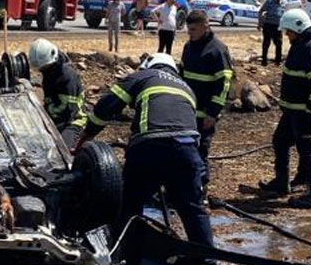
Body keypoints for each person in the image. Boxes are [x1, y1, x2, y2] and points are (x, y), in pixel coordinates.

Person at [77, 53, 213, 252]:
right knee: (193, 207)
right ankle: (207, 262)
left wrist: (86, 137)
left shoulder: (144, 76)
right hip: (187, 150)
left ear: (149, 65)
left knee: (130, 204)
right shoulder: (187, 88)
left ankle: (122, 256)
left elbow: (106, 106)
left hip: (150, 147)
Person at [258, 9, 311, 209]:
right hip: (292, 111)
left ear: (298, 27)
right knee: (280, 141)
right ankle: (282, 182)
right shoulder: (300, 45)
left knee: (308, 151)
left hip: (304, 112)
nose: (286, 35)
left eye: (288, 31)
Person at [180, 10, 234, 185]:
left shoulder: (217, 49)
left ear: (206, 26)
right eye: (188, 30)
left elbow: (224, 85)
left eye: (193, 30)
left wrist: (213, 113)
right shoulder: (188, 47)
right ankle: (186, 187)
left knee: (201, 151)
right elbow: (182, 76)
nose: (190, 34)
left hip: (205, 114)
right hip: (187, 111)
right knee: (184, 150)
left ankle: (202, 189)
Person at [28, 38, 87, 148]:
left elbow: (68, 111)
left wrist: (47, 121)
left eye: (44, 67)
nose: (41, 70)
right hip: (55, 118)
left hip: (73, 121)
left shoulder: (67, 75)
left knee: (63, 150)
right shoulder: (50, 70)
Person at [257, 0, 286, 65]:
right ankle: (264, 61)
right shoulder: (269, 1)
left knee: (279, 44)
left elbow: (284, 15)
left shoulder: (284, 3)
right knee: (266, 43)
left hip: (278, 27)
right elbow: (261, 11)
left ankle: (278, 62)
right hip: (268, 25)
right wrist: (260, 23)